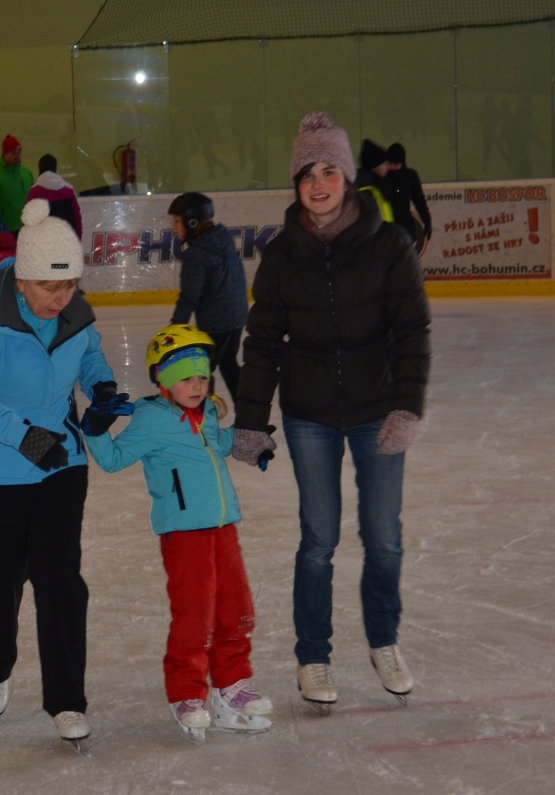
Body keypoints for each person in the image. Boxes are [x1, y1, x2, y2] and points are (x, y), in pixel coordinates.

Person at [233, 112, 431, 714]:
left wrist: (407, 407)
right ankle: (313, 655)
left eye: (328, 170)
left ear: (347, 176)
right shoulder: (283, 256)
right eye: (306, 174)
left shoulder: (389, 245)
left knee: (384, 539)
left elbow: (411, 331)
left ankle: (384, 640)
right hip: (310, 412)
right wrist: (251, 419)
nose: (318, 184)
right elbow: (262, 343)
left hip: (377, 409)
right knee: (318, 540)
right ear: (295, 184)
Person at [0, 198, 125, 746]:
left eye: (70, 286)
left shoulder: (72, 308)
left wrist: (102, 389)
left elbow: (89, 353)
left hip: (60, 465)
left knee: (61, 581)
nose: (61, 298)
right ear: (22, 281)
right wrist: (22, 435)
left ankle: (67, 700)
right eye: (50, 288)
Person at [83, 324, 272, 743]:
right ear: (163, 380)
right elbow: (113, 460)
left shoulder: (205, 415)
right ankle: (187, 694)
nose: (197, 385)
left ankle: (231, 686)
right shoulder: (152, 418)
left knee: (236, 607)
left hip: (224, 530)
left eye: (203, 376)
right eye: (187, 377)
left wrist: (250, 445)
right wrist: (95, 430)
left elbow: (217, 444)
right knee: (195, 616)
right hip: (185, 536)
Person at [167, 192, 248, 403]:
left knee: (202, 370)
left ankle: (203, 417)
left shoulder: (196, 254)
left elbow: (189, 296)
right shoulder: (221, 240)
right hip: (237, 316)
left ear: (192, 222)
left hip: (217, 321)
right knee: (229, 362)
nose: (174, 227)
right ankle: (248, 416)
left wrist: (175, 328)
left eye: (177, 221)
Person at [0, 135, 34, 240]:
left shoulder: (27, 173)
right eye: (13, 153)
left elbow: (33, 199)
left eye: (19, 153)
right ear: (5, 154)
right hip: (5, 230)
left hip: (26, 228)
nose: (17, 156)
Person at [386, 144, 432, 245]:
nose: (392, 166)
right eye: (390, 163)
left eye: (395, 164)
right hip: (387, 230)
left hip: (405, 229)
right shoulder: (383, 177)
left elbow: (419, 201)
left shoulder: (410, 177)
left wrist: (427, 221)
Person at [26, 154, 82, 238]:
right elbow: (77, 217)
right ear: (55, 168)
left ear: (39, 169)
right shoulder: (69, 190)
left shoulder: (35, 192)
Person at [355, 139, 396, 224]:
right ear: (374, 165)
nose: (387, 167)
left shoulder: (379, 184)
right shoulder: (366, 189)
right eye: (384, 164)